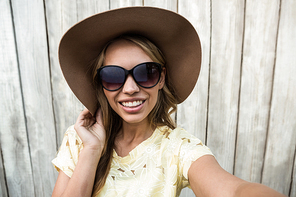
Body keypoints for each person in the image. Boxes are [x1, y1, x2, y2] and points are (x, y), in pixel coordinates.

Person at [52, 7, 286, 197]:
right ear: (102, 83)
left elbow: (232, 190)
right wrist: (92, 150)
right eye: (113, 76)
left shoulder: (177, 147)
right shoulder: (80, 139)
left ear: (161, 78)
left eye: (146, 73)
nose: (131, 88)